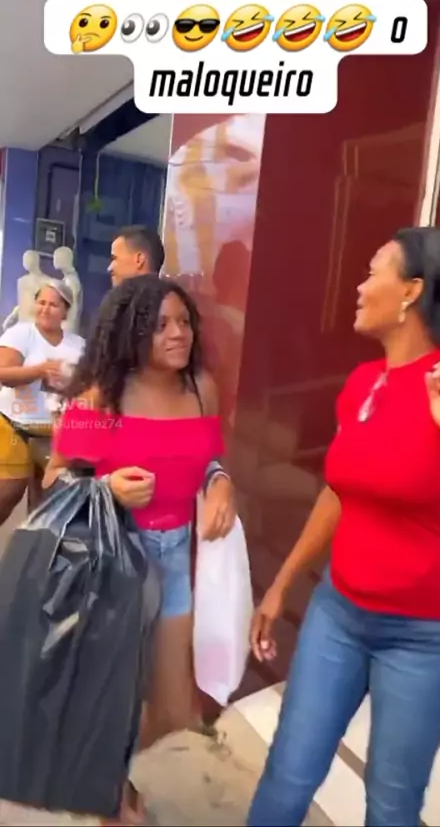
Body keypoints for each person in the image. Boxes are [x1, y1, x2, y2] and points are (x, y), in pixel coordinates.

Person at [247, 227, 440, 827]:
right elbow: (339, 492)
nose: (357, 285)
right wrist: (282, 584)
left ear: (411, 291)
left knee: (390, 804)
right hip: (339, 614)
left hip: (427, 637)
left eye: (373, 270)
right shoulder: (363, 384)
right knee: (287, 772)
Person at [42, 275, 236, 825]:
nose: (178, 334)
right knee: (113, 695)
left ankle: (101, 767)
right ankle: (111, 794)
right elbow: (55, 479)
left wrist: (222, 482)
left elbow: (209, 459)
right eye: (161, 325)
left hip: (173, 557)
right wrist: (106, 488)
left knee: (175, 709)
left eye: (184, 322)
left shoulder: (201, 388)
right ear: (131, 332)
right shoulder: (102, 395)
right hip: (113, 558)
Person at [0, 280, 85, 523]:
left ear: (65, 311)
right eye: (41, 302)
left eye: (53, 305)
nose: (45, 309)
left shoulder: (78, 345)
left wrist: (71, 384)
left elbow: (86, 387)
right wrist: (40, 370)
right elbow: (4, 374)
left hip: (55, 434)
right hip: (14, 426)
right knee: (7, 494)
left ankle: (32, 546)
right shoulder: (20, 333)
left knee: (45, 506)